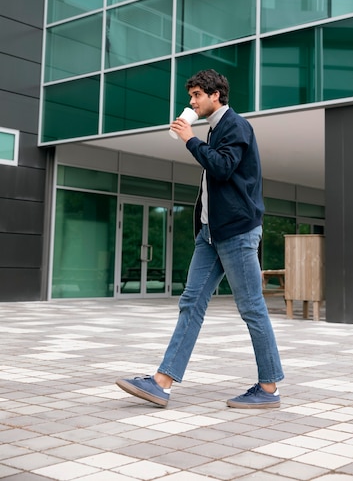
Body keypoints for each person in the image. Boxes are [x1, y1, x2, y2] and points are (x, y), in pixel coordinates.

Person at [116, 69, 284, 408]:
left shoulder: (235, 126)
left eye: (196, 95)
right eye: (190, 96)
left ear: (216, 95)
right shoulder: (217, 128)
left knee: (252, 308)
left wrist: (190, 139)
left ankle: (268, 389)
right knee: (191, 303)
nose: (191, 101)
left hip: (236, 233)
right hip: (211, 235)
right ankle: (161, 382)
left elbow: (222, 168)